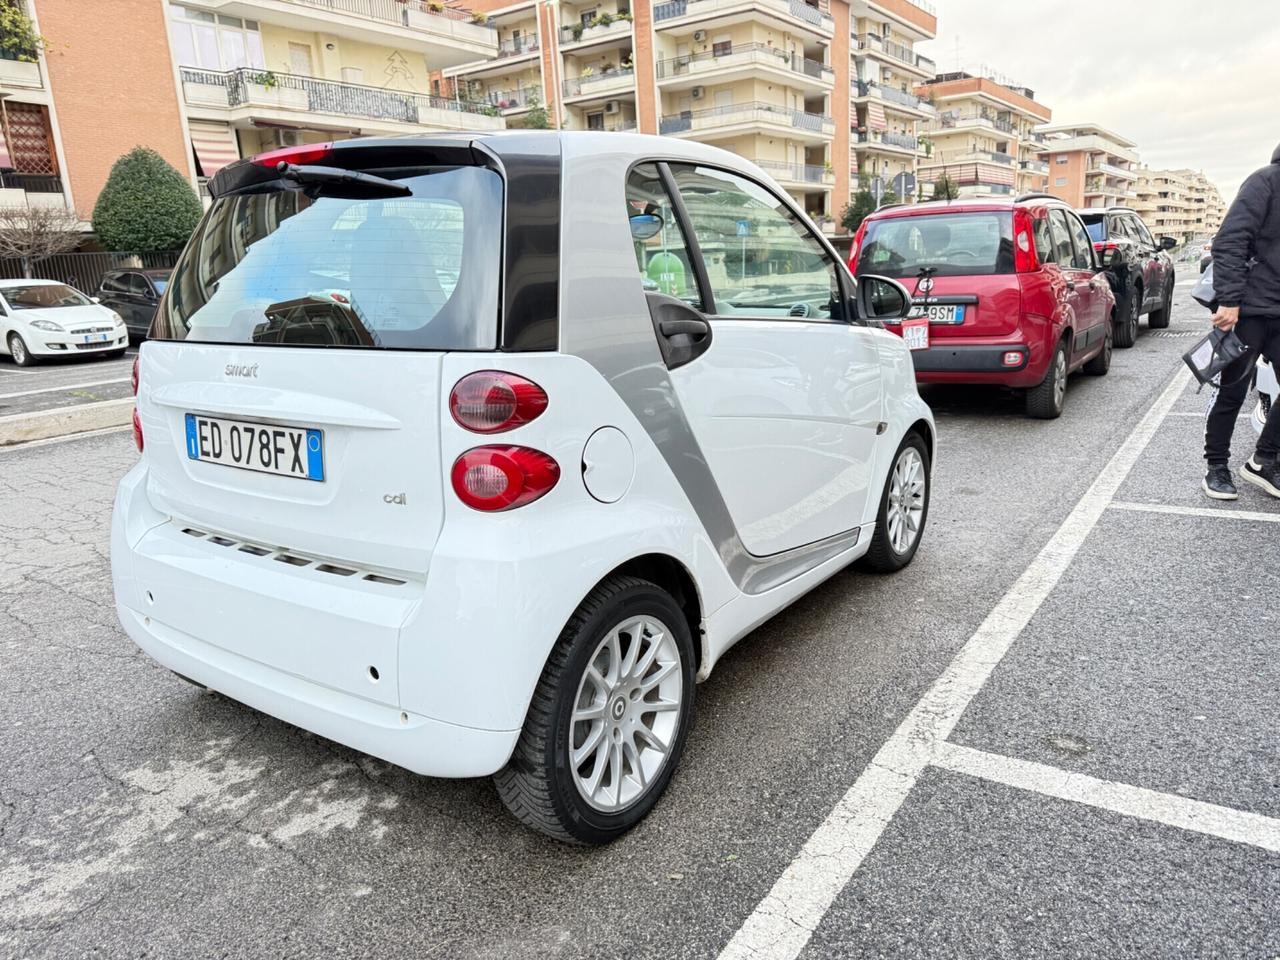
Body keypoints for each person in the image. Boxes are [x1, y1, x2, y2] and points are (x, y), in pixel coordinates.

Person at [1202, 144, 1280, 501]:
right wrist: (1230, 300)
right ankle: (1216, 467)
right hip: (1250, 310)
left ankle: (1262, 462)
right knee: (1232, 392)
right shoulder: (1265, 182)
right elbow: (1230, 240)